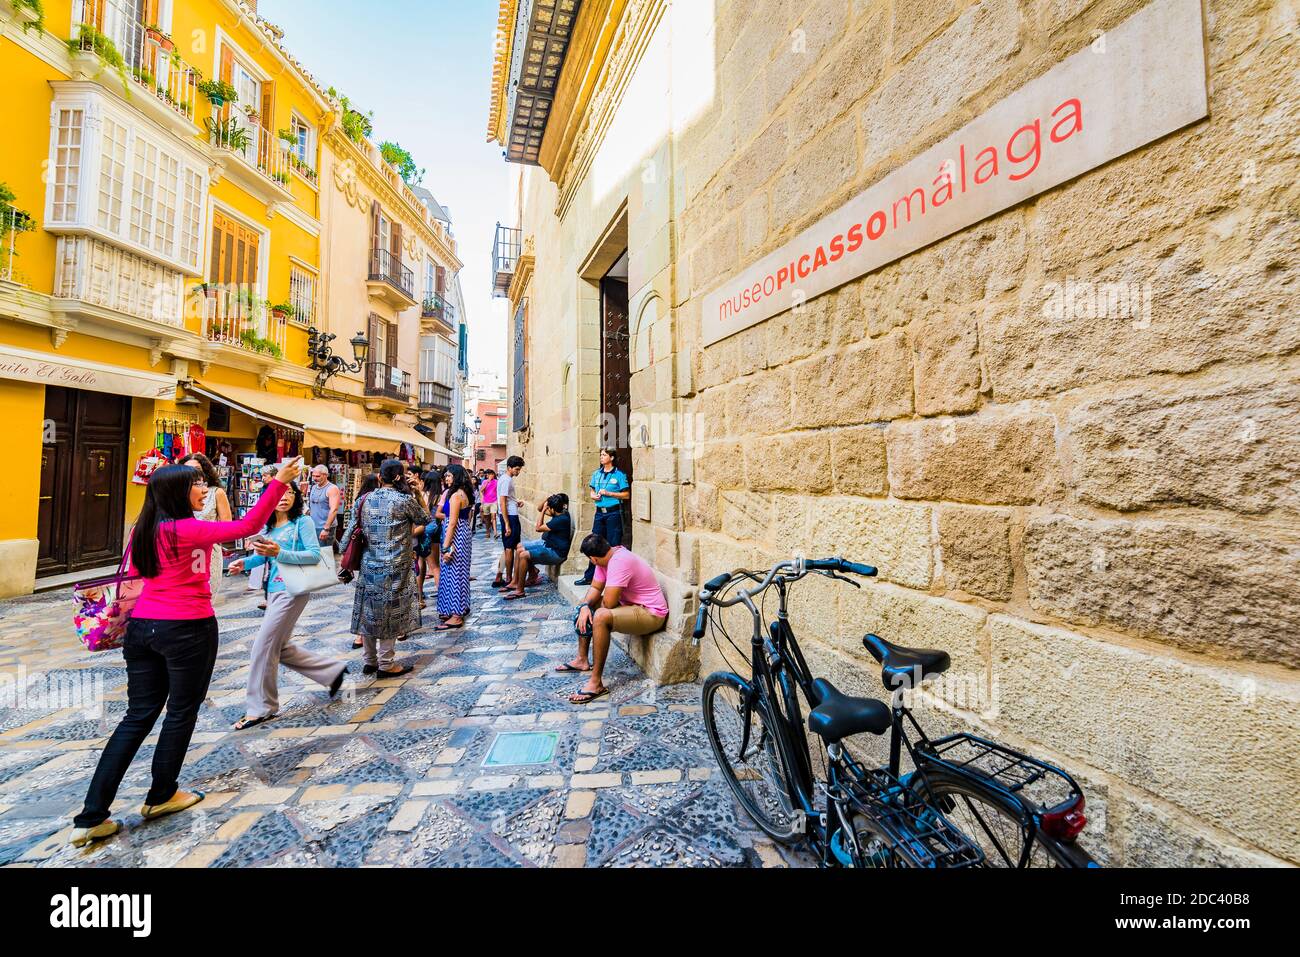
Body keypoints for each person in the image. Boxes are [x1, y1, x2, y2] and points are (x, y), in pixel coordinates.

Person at [70, 457, 305, 848]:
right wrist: (278, 482)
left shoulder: (143, 529)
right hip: (187, 628)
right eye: (196, 485)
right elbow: (245, 528)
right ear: (178, 492)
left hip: (143, 628)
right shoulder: (185, 529)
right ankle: (162, 795)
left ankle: (91, 816)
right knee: (180, 711)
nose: (204, 490)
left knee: (136, 717)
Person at [227, 482, 348, 731]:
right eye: (278, 494)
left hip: (292, 590)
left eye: (289, 493)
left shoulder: (301, 523)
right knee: (278, 647)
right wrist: (245, 563)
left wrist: (280, 552)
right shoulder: (270, 526)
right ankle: (331, 672)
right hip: (273, 591)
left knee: (262, 646)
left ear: (296, 497)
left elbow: (314, 554)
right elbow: (264, 555)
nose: (283, 498)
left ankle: (260, 707)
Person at [339, 460, 428, 676]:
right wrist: (417, 494)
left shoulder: (363, 500)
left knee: (369, 612)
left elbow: (345, 540)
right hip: (396, 567)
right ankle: (387, 664)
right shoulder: (404, 500)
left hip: (368, 566)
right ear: (399, 478)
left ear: (380, 478)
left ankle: (369, 661)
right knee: (391, 614)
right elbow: (425, 518)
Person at [562, 534, 668, 705]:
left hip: (651, 614)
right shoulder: (607, 557)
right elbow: (596, 587)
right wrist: (584, 607)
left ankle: (596, 683)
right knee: (585, 607)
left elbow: (609, 604)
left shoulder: (619, 561)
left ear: (593, 559)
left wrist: (593, 611)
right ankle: (582, 659)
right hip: (632, 607)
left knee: (601, 616)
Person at [181, 453, 232, 606]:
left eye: (197, 469)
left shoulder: (216, 493)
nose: (192, 473)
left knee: (205, 601)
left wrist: (204, 533)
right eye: (187, 470)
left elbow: (227, 526)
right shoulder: (177, 493)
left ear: (205, 471)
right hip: (182, 553)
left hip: (208, 554)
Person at [575, 448, 630, 586]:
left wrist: (610, 494)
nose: (601, 457)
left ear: (611, 458)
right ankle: (590, 576)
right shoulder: (596, 474)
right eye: (600, 455)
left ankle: (613, 579)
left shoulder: (619, 475)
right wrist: (593, 495)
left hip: (614, 513)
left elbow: (626, 495)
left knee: (613, 545)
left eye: (604, 455)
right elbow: (592, 490)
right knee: (593, 543)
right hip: (599, 513)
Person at [504, 493, 573, 600]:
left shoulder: (561, 519)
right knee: (519, 549)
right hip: (549, 546)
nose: (546, 511)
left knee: (524, 555)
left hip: (556, 553)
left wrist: (544, 509)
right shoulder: (559, 513)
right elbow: (539, 508)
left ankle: (520, 590)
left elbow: (538, 527)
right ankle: (516, 582)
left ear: (553, 509)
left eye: (548, 509)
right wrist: (546, 502)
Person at [435, 464, 475, 630]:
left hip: (455, 537)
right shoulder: (464, 494)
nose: (446, 478)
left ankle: (456, 616)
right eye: (446, 476)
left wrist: (445, 547)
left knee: (453, 574)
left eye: (450, 476)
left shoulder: (455, 496)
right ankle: (456, 609)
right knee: (459, 573)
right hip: (463, 534)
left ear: (457, 477)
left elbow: (452, 522)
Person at [493, 456, 525, 589]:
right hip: (510, 516)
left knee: (510, 546)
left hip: (510, 513)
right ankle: (509, 578)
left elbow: (507, 499)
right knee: (511, 547)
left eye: (519, 469)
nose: (518, 472)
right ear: (509, 468)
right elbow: (502, 501)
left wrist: (515, 502)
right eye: (516, 469)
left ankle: (503, 576)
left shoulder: (505, 479)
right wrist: (506, 523)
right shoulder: (506, 480)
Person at [307, 465, 344, 552]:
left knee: (325, 555)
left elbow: (334, 509)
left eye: (318, 476)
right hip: (313, 526)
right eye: (313, 476)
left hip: (325, 527)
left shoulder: (332, 488)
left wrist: (326, 528)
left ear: (325, 475)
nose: (315, 478)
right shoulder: (314, 487)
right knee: (315, 553)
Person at [480, 469, 499, 540]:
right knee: (487, 519)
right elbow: (481, 490)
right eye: (488, 474)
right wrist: (487, 482)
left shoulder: (497, 482)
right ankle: (487, 531)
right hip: (486, 502)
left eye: (491, 474)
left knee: (493, 517)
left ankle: (495, 533)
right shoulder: (485, 482)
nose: (489, 475)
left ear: (493, 475)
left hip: (494, 502)